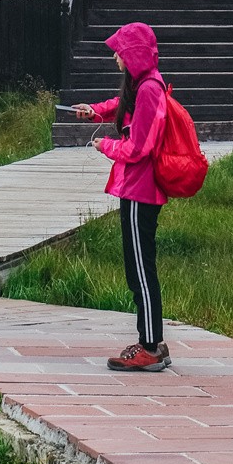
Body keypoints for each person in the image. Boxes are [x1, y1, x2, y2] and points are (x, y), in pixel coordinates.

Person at [76, 20, 169, 371]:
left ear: (133, 54)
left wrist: (105, 145)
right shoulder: (142, 84)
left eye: (120, 51)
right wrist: (95, 111)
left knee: (141, 270)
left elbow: (139, 147)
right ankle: (153, 340)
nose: (116, 56)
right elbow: (121, 104)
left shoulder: (149, 89)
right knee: (139, 267)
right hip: (137, 188)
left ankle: (150, 347)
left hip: (140, 189)